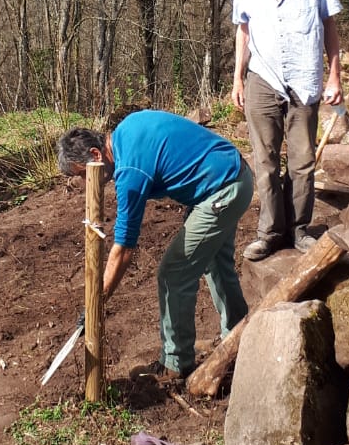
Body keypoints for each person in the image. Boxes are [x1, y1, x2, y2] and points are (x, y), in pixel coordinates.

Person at [55, 111, 252, 385]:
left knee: (174, 274)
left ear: (96, 155)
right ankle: (240, 337)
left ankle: (175, 365)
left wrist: (96, 301)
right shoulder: (126, 130)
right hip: (233, 174)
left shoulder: (130, 172)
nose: (85, 184)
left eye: (83, 175)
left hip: (223, 189)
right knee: (215, 261)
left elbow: (124, 249)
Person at [230, 0, 343, 259]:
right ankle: (269, 233)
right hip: (262, 78)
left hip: (304, 81)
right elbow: (243, 30)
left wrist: (335, 77)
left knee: (302, 162)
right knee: (264, 161)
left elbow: (329, 26)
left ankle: (299, 230)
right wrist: (237, 78)